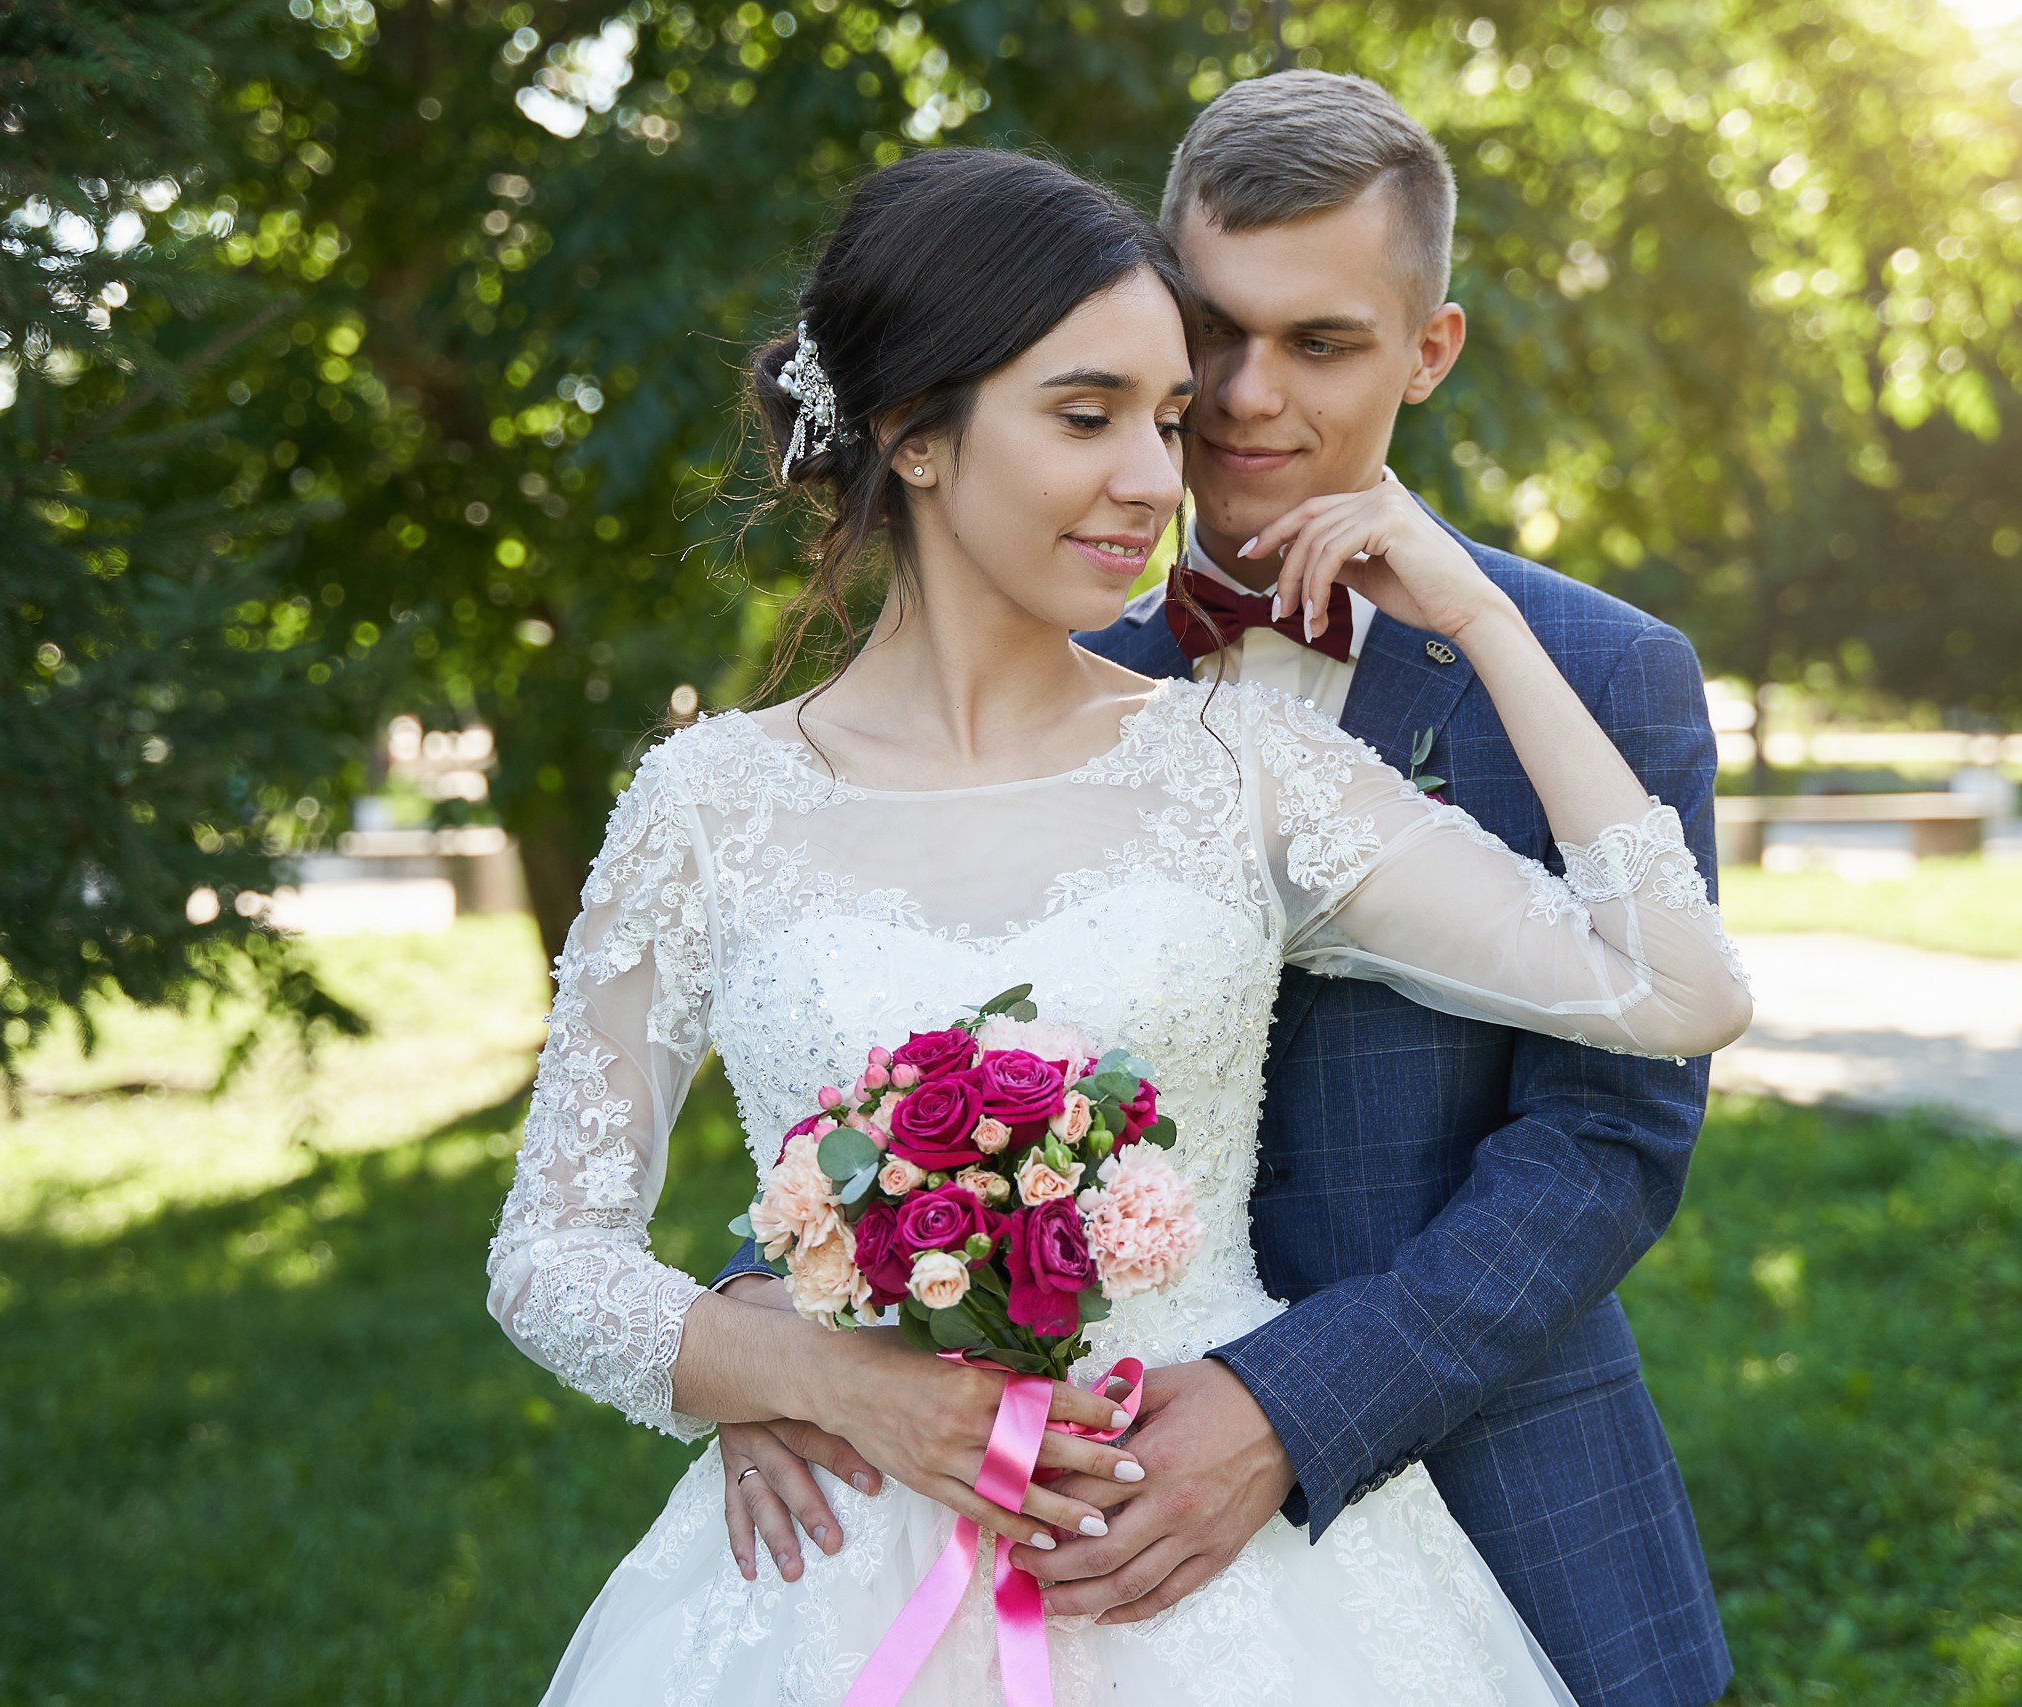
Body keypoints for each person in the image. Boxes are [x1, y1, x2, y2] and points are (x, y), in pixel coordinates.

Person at [486, 143, 1750, 1703]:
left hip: (1262, 1593)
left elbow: (1675, 991)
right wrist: (789, 1365)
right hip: (842, 1576)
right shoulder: (706, 802)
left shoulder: (1239, 764)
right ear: (916, 436)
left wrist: (1480, 618)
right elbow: (551, 1250)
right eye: (1096, 417)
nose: (1171, 470)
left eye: (1162, 420)